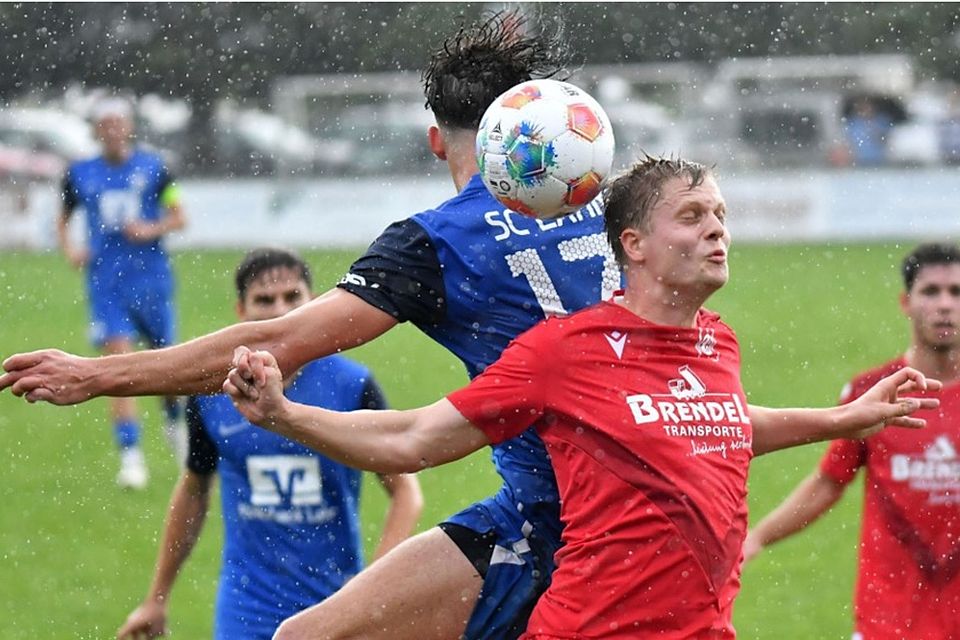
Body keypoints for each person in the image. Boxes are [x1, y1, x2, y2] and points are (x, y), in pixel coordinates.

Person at [1, 12, 617, 639]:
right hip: (639, 485)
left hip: (558, 515)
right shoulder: (617, 209)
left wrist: (95, 375)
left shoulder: (438, 242)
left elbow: (278, 342)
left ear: (436, 141)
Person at [223, 156, 940, 639]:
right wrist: (286, 414)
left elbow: (717, 427)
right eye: (692, 215)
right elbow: (415, 438)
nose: (717, 228)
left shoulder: (717, 342)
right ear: (634, 244)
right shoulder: (562, 351)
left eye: (720, 213)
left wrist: (844, 419)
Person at [115, 248, 423, 640]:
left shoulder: (352, 386)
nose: (281, 310)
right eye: (264, 300)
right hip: (247, 610)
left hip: (333, 607)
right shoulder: (213, 395)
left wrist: (369, 593)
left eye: (292, 296)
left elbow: (405, 492)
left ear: (315, 303)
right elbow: (194, 491)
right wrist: (157, 598)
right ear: (240, 311)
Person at [743, 242, 960, 640]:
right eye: (931, 291)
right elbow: (828, 482)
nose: (945, 305)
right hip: (888, 624)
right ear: (906, 302)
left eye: (956, 292)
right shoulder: (873, 394)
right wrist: (758, 536)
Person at [59, 97, 188, 488]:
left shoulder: (155, 168)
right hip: (106, 284)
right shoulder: (79, 174)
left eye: (119, 123)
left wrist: (150, 229)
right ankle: (131, 456)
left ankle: (174, 423)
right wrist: (71, 249)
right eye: (106, 124)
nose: (113, 130)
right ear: (96, 130)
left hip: (151, 281)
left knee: (166, 366)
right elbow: (63, 217)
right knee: (117, 365)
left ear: (129, 127)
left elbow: (179, 216)